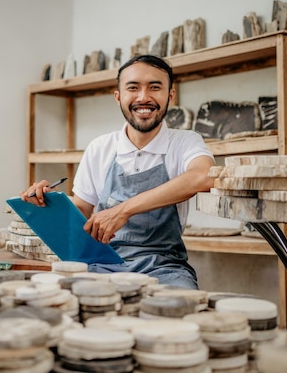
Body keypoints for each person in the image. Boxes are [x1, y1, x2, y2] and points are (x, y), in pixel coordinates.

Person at [21, 54, 215, 288]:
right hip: (101, 264)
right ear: (118, 96)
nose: (144, 97)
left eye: (155, 87)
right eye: (133, 88)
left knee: (179, 311)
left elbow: (204, 176)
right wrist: (48, 204)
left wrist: (123, 210)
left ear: (170, 95)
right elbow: (82, 212)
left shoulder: (185, 142)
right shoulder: (100, 147)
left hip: (164, 268)